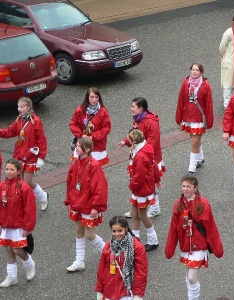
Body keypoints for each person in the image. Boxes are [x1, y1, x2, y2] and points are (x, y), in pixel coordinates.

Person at [165, 175, 224, 300]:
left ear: (195, 188)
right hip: (185, 245)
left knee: (192, 278)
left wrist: (217, 249)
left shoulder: (203, 204)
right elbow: (173, 227)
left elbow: (211, 227)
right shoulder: (178, 204)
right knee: (188, 277)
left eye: (188, 187)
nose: (185, 189)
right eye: (183, 186)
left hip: (199, 245)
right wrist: (169, 249)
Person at [64, 137, 108, 272]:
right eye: (76, 145)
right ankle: (79, 260)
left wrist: (96, 206)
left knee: (89, 234)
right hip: (77, 202)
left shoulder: (94, 165)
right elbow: (70, 183)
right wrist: (69, 201)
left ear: (87, 149)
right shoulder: (75, 163)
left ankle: (109, 253)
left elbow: (100, 187)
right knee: (78, 230)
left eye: (79, 146)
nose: (76, 148)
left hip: (89, 204)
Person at [117, 97, 165, 219]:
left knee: (150, 182)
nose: (131, 108)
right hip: (142, 155)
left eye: (133, 106)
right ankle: (139, 208)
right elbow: (135, 135)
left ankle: (154, 208)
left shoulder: (150, 122)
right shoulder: (139, 119)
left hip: (148, 157)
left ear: (141, 108)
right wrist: (125, 141)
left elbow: (153, 142)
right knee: (145, 182)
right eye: (131, 106)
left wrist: (144, 157)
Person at [0, 97, 48, 211]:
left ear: (28, 107)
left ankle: (37, 199)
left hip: (31, 157)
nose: (19, 109)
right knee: (21, 183)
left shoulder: (36, 121)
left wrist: (41, 157)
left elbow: (41, 140)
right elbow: (10, 131)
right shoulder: (19, 120)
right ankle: (34, 200)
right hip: (20, 155)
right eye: (18, 106)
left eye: (22, 107)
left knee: (26, 183)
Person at [0, 159, 36, 288]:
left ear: (18, 171)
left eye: (12, 170)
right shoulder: (2, 185)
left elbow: (29, 208)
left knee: (17, 249)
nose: (8, 172)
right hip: (6, 224)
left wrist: (27, 227)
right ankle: (12, 276)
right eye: (7, 169)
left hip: (19, 225)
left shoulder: (24, 188)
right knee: (8, 248)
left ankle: (29, 264)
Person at [96, 216, 148, 300]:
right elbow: (101, 269)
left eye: (120, 230)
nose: (117, 234)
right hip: (109, 289)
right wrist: (100, 290)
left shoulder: (137, 247)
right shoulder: (108, 245)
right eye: (114, 231)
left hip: (126, 291)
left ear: (126, 228)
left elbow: (141, 272)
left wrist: (138, 294)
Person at [175, 63, 214, 175]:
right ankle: (200, 157)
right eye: (193, 69)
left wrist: (209, 120)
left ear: (201, 72)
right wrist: (179, 115)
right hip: (188, 115)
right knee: (194, 140)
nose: (194, 72)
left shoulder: (205, 85)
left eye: (197, 70)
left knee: (194, 142)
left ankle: (192, 165)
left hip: (199, 117)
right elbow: (181, 99)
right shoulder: (186, 83)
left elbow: (209, 104)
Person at [126, 129, 160, 252]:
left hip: (142, 188)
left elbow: (139, 176)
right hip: (140, 188)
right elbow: (154, 165)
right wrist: (157, 178)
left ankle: (153, 240)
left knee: (142, 215)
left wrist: (132, 186)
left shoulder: (140, 155)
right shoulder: (144, 148)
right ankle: (135, 241)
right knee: (134, 213)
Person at [70, 87, 111, 166]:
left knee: (94, 169)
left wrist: (93, 136)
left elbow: (106, 128)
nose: (94, 100)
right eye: (92, 97)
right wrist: (81, 135)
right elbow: (73, 124)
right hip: (82, 143)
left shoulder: (103, 112)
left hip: (97, 145)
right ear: (87, 97)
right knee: (80, 167)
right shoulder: (80, 110)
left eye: (96, 97)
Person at [219, 15, 234, 108]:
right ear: (233, 23)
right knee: (228, 83)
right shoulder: (228, 33)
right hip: (229, 62)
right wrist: (225, 59)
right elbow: (221, 48)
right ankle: (226, 104)